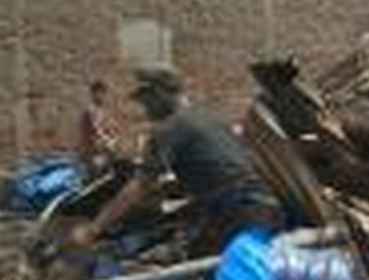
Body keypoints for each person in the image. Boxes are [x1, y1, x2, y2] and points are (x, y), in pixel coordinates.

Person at [73, 68, 284, 256]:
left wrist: (93, 229)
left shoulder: (169, 128)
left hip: (239, 216)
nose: (145, 108)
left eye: (146, 100)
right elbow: (219, 169)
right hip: (265, 209)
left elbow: (139, 187)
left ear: (161, 94)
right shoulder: (212, 119)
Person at [77, 80, 119, 174]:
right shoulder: (90, 111)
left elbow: (110, 128)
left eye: (103, 93)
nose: (102, 96)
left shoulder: (103, 111)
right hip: (93, 152)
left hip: (103, 151)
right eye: (99, 93)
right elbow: (96, 130)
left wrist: (114, 138)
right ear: (93, 94)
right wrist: (108, 142)